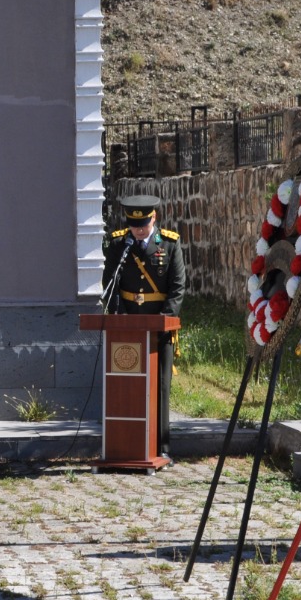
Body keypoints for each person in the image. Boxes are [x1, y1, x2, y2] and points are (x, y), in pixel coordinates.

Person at [101, 194, 185, 457]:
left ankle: (162, 447)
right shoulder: (119, 243)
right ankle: (128, 444)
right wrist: (121, 316)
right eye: (134, 226)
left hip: (160, 327)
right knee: (126, 384)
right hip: (127, 326)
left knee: (160, 385)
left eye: (144, 225)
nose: (138, 231)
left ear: (154, 219)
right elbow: (110, 283)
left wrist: (164, 320)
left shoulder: (169, 244)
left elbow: (177, 288)